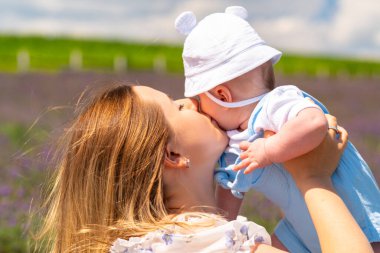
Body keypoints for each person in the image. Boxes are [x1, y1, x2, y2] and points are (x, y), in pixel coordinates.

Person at [34, 84, 373, 253]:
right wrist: (313, 179)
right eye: (177, 107)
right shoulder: (221, 245)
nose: (194, 101)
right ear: (172, 154)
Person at [174, 6, 380, 252]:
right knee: (271, 243)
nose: (199, 109)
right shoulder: (232, 143)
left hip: (353, 214)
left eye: (200, 100)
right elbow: (231, 189)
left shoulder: (275, 104)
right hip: (298, 227)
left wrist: (270, 150)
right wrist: (220, 232)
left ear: (222, 95)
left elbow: (314, 123)